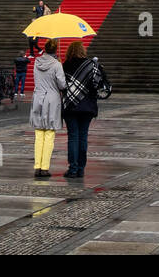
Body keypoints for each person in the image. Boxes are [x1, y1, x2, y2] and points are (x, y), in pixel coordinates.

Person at [61, 42, 109, 178]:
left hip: (70, 106)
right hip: (87, 106)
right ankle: (81, 169)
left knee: (73, 137)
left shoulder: (65, 65)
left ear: (69, 51)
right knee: (83, 137)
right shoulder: (91, 65)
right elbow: (97, 84)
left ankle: (73, 168)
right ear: (83, 51)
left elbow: (61, 85)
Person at [29, 39, 66, 179]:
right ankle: (45, 167)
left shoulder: (36, 63)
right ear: (55, 50)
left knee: (39, 134)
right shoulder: (57, 65)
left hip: (38, 98)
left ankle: (37, 166)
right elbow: (62, 85)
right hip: (51, 99)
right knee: (49, 134)